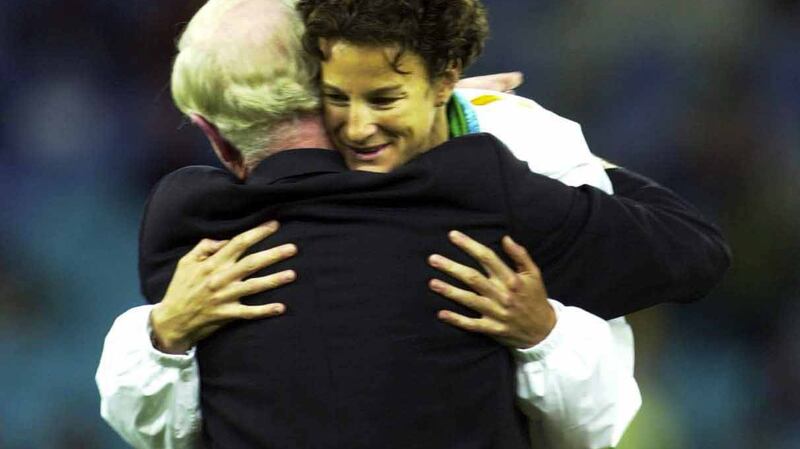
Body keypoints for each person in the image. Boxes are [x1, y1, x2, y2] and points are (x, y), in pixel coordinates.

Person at [96, 0, 730, 448]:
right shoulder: (485, 183)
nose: (360, 125)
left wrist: (161, 332)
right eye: (342, 98)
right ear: (322, 85)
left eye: (382, 96)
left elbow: (155, 427)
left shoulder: (189, 226)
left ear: (211, 135)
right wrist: (459, 115)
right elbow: (692, 250)